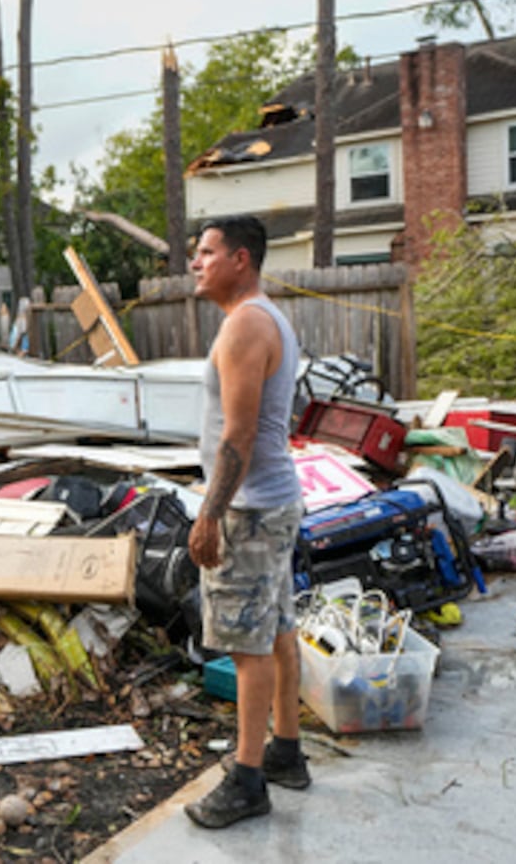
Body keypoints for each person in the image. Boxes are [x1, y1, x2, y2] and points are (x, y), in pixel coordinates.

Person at [184, 215, 309, 829]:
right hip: (272, 501)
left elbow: (239, 435)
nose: (194, 262)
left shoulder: (245, 326)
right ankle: (286, 750)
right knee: (279, 628)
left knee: (245, 646)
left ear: (240, 259)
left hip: (249, 509)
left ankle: (248, 779)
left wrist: (210, 516)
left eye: (205, 252)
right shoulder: (268, 318)